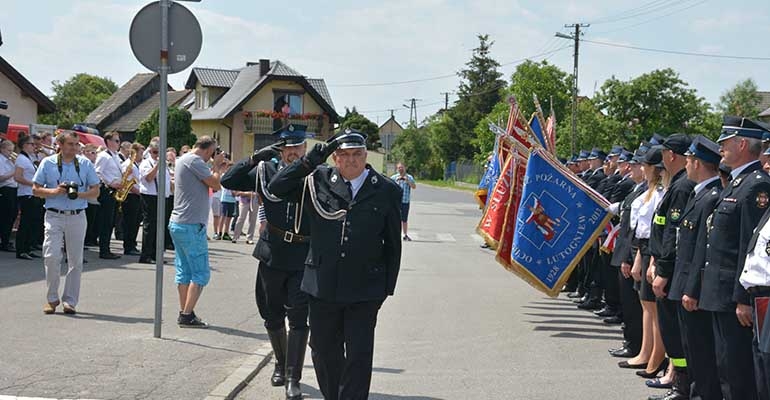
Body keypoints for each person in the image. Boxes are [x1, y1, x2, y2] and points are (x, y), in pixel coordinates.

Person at [269, 128, 402, 400]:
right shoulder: (317, 180)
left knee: (359, 354)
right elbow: (277, 187)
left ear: (366, 156)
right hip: (322, 285)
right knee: (323, 350)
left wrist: (386, 289)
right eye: (344, 155)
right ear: (335, 158)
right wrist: (310, 160)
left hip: (365, 288)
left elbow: (392, 244)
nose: (351, 160)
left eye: (357, 154)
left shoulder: (386, 189)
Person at [221, 123, 313, 400]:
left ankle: (292, 378)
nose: (293, 152)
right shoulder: (264, 171)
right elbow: (228, 181)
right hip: (272, 253)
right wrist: (254, 157)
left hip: (303, 255)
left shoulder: (315, 174)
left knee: (298, 318)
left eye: (298, 146)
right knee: (272, 315)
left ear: (304, 148)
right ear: (280, 149)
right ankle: (280, 363)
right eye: (287, 147)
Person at [700, 116, 770, 400]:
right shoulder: (737, 182)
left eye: (725, 143)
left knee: (738, 371)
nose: (721, 150)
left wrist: (741, 297)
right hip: (721, 290)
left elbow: (747, 246)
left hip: (734, 294)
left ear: (742, 144)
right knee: (726, 366)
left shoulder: (755, 186)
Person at [674, 135, 723, 400]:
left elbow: (702, 250)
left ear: (699, 163)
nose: (686, 166)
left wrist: (691, 289)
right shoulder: (700, 194)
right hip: (686, 283)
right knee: (692, 349)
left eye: (690, 161)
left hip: (696, 289)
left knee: (702, 353)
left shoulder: (711, 198)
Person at [648, 133, 695, 400]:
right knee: (671, 329)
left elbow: (673, 234)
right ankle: (678, 378)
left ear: (671, 155)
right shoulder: (676, 184)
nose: (661, 157)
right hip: (666, 264)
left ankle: (681, 384)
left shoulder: (682, 186)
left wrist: (663, 268)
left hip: (673, 270)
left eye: (664, 152)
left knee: (676, 331)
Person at [32, 131, 100, 314]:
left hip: (77, 215)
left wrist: (79, 195)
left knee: (76, 260)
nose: (75, 148)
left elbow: (96, 191)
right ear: (60, 145)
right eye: (71, 144)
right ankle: (52, 298)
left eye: (76, 144)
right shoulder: (48, 163)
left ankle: (70, 301)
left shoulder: (85, 163)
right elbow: (35, 189)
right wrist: (54, 192)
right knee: (52, 256)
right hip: (53, 215)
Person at [168, 136, 224, 328]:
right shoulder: (196, 161)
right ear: (209, 150)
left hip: (179, 222)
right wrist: (216, 166)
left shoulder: (183, 159)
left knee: (184, 271)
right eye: (214, 152)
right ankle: (187, 314)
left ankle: (185, 312)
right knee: (200, 273)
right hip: (191, 225)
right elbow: (216, 184)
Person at [138, 141, 172, 265]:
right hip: (150, 196)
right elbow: (148, 178)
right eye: (155, 152)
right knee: (150, 226)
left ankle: (156, 254)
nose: (157, 155)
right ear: (150, 151)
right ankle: (146, 255)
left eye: (159, 152)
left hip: (162, 197)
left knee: (160, 226)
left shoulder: (165, 165)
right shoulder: (146, 163)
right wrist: (157, 165)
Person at [93, 131, 124, 259]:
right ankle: (104, 250)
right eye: (116, 141)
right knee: (106, 221)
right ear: (108, 142)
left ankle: (107, 248)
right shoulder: (103, 156)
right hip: (107, 191)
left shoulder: (116, 156)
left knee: (111, 221)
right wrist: (110, 183)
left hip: (115, 190)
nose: (118, 143)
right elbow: (97, 173)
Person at [14, 135, 42, 260]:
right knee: (25, 222)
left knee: (32, 222)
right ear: (25, 145)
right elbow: (18, 177)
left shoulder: (29, 158)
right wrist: (34, 184)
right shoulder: (21, 158)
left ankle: (28, 247)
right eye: (31, 144)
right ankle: (21, 250)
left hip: (33, 193)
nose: (34, 146)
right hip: (26, 194)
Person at [120, 143, 143, 256]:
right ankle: (128, 246)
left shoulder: (135, 164)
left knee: (135, 222)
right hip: (131, 196)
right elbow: (127, 182)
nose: (142, 155)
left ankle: (132, 244)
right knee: (130, 222)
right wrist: (139, 192)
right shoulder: (128, 164)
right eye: (140, 153)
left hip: (136, 196)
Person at [390, 162, 416, 241]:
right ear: (397, 169)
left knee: (404, 219)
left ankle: (405, 235)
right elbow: (389, 187)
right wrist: (396, 182)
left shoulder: (409, 177)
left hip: (405, 201)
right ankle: (395, 234)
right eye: (399, 168)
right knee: (395, 218)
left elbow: (414, 186)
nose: (400, 169)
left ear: (405, 168)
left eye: (402, 167)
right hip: (396, 201)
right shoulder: (394, 177)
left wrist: (407, 181)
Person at [0, 139, 18, 252]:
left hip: (14, 189)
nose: (11, 153)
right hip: (5, 189)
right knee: (6, 216)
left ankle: (6, 240)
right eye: (9, 150)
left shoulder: (10, 160)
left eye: (12, 150)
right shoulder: (1, 160)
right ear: (2, 149)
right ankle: (4, 241)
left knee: (12, 215)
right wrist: (15, 171)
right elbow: (1, 177)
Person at [82, 144, 100, 247]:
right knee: (88, 219)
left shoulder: (91, 163)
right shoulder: (86, 163)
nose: (95, 155)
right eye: (92, 152)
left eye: (95, 152)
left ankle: (89, 239)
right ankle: (86, 240)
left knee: (92, 219)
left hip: (91, 195)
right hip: (86, 195)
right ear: (85, 152)